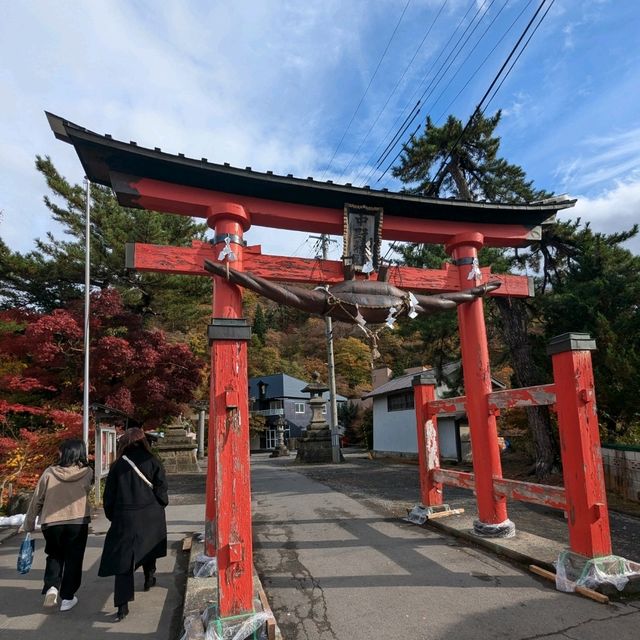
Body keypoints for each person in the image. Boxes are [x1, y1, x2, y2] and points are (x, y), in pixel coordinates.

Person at [98, 427, 168, 622]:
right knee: (148, 547)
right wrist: (160, 503)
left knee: (124, 560)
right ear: (143, 441)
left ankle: (122, 605)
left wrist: (114, 516)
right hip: (150, 513)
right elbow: (162, 488)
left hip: (125, 516)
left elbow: (109, 497)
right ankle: (149, 578)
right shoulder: (152, 461)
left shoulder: (117, 466)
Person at [23, 439, 93, 612]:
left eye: (60, 451)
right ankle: (68, 598)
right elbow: (87, 490)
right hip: (78, 521)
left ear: (67, 452)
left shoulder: (49, 472)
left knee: (54, 555)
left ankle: (52, 587)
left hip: (52, 522)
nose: (58, 454)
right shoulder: (87, 472)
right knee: (74, 560)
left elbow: (37, 499)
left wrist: (29, 523)